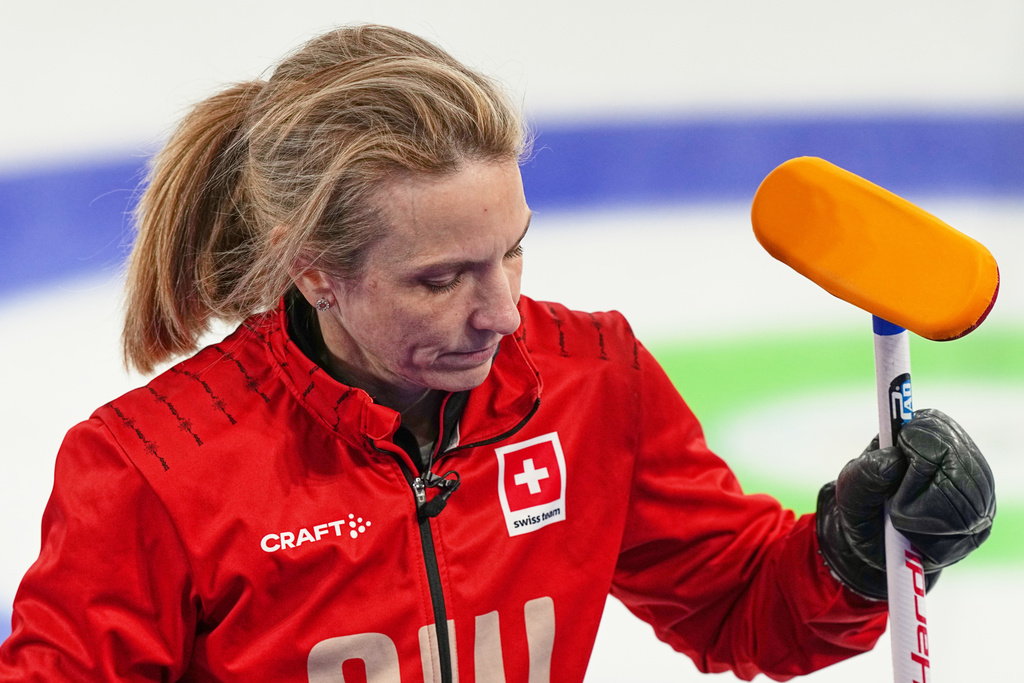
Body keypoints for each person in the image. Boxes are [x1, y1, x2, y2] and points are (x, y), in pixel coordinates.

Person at [0, 24, 995, 682]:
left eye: (512, 251)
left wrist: (853, 552)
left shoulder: (588, 378)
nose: (503, 314)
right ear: (312, 271)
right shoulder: (150, 472)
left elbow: (740, 603)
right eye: (440, 279)